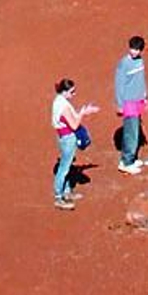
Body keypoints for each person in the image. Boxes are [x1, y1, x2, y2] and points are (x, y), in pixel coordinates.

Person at [51, 78, 97, 209]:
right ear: (64, 92)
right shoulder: (64, 106)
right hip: (68, 139)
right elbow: (75, 125)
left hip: (63, 137)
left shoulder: (58, 101)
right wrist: (82, 113)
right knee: (64, 168)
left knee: (67, 165)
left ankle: (66, 191)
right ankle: (59, 197)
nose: (74, 94)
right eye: (72, 92)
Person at [114, 33, 148, 173]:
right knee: (131, 132)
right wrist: (120, 104)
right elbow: (119, 84)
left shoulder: (140, 62)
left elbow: (141, 80)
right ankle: (126, 162)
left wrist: (145, 96)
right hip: (128, 103)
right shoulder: (124, 63)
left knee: (135, 129)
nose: (134, 51)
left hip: (138, 101)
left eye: (137, 49)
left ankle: (132, 158)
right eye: (132, 48)